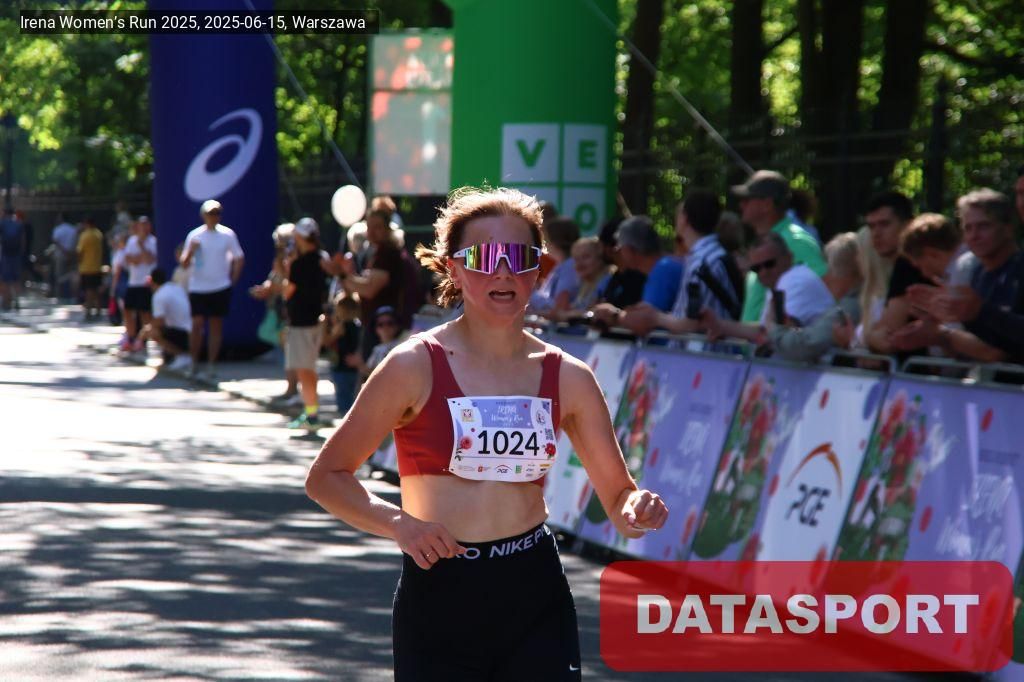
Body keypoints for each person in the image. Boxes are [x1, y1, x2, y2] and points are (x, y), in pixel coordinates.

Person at [304, 186, 669, 680]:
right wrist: (400, 525)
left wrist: (637, 508)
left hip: (534, 591)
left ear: (538, 270)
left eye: (519, 258)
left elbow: (620, 501)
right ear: (452, 268)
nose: (502, 271)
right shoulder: (413, 365)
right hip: (440, 593)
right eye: (483, 257)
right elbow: (326, 476)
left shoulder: (569, 377)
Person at [902, 189, 1023, 363]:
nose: (974, 236)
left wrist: (942, 334)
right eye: (968, 228)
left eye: (984, 226)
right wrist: (935, 326)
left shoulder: (1017, 271)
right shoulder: (978, 273)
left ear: (1008, 228)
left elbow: (995, 352)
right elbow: (971, 351)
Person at [620, 189, 743, 336]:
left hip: (705, 348)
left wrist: (655, 317)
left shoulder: (700, 263)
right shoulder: (715, 254)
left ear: (684, 219)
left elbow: (691, 323)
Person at [699, 232, 835, 348]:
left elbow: (771, 334)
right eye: (756, 268)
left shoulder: (794, 280)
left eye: (769, 264)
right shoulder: (781, 282)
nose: (763, 272)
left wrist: (721, 326)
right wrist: (721, 326)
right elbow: (766, 329)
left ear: (789, 257)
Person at [732, 170, 826, 322]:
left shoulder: (797, 241)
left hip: (778, 337)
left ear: (767, 204)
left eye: (747, 199)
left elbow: (825, 287)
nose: (741, 205)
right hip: (762, 337)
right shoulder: (770, 242)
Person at [180, 199, 245, 380]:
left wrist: (232, 280)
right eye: (210, 213)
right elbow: (184, 264)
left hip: (220, 286)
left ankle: (211, 365)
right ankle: (193, 362)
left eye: (217, 213)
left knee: (216, 325)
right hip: (198, 287)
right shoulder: (194, 236)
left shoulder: (227, 235)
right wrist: (191, 251)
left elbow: (239, 257)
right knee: (197, 324)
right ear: (203, 215)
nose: (214, 217)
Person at [338, 203, 406, 357]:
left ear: (387, 228)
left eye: (377, 227)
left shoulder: (387, 253)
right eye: (369, 227)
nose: (371, 232)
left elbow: (369, 290)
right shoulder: (376, 252)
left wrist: (343, 275)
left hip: (384, 329)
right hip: (374, 326)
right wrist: (346, 275)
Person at [591, 215, 682, 328]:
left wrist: (615, 315)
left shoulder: (662, 271)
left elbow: (645, 321)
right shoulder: (666, 266)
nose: (618, 252)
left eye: (619, 247)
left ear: (629, 250)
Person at [283, 217, 330, 431]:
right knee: (308, 369)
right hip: (314, 321)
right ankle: (310, 411)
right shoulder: (322, 258)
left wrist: (286, 269)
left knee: (304, 370)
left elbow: (288, 292)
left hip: (302, 323)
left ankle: (312, 415)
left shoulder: (299, 264)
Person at [138, 267, 193, 372]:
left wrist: (144, 332)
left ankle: (182, 356)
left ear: (152, 281)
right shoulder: (175, 287)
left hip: (184, 335)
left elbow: (159, 321)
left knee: (152, 332)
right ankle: (172, 356)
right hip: (191, 332)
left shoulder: (159, 295)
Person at [123, 216, 158, 352]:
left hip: (146, 283)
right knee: (128, 310)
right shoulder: (131, 240)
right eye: (141, 225)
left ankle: (143, 340)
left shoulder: (153, 241)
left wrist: (141, 247)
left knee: (145, 312)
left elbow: (149, 259)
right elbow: (128, 259)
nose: (143, 227)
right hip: (133, 282)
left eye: (146, 224)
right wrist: (139, 257)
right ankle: (131, 337)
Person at [323, 293, 362, 416]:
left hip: (341, 366)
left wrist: (324, 325)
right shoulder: (358, 325)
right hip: (354, 366)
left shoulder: (342, 326)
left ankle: (345, 418)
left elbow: (327, 341)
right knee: (353, 396)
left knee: (343, 397)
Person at [76, 217, 104, 321]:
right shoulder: (98, 234)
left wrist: (79, 262)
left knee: (88, 290)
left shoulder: (85, 235)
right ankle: (98, 310)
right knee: (96, 289)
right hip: (97, 266)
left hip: (86, 267)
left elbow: (80, 251)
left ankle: (88, 311)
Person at [0, 207, 25, 310]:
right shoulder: (19, 224)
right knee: (16, 279)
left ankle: (6, 302)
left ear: (5, 213)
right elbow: (23, 240)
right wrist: (21, 253)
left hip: (5, 254)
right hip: (16, 255)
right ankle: (17, 301)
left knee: (5, 279)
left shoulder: (2, 223)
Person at [51, 214, 79, 302]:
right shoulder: (73, 229)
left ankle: (60, 296)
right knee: (71, 277)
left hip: (60, 255)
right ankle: (72, 296)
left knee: (59, 276)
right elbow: (76, 242)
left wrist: (64, 251)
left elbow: (55, 241)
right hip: (72, 255)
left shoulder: (58, 229)